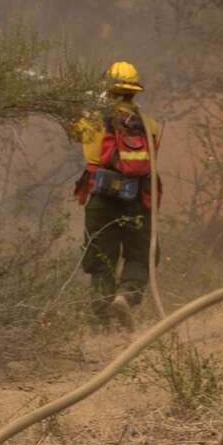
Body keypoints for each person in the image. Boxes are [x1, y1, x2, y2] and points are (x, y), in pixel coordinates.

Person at [72, 61, 161, 331]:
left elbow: (75, 132)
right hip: (138, 198)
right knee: (142, 254)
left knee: (101, 259)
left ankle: (102, 326)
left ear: (108, 90)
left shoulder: (90, 121)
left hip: (102, 198)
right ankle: (127, 295)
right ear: (134, 92)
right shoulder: (149, 125)